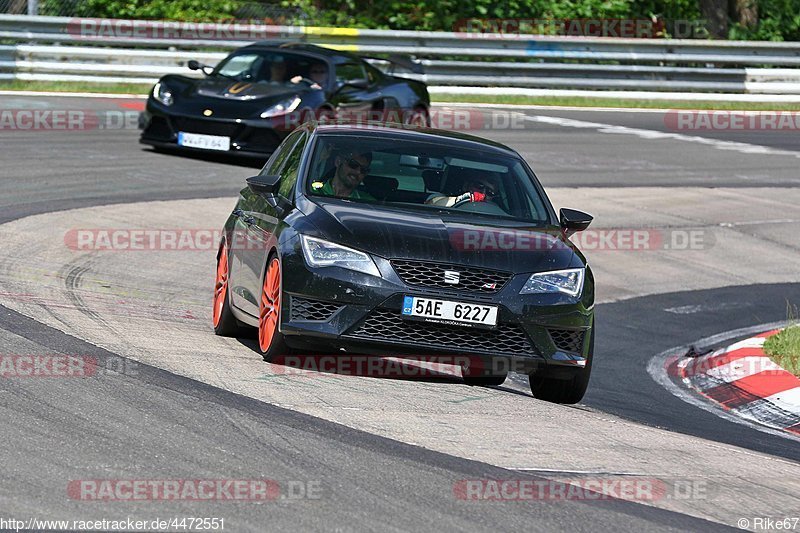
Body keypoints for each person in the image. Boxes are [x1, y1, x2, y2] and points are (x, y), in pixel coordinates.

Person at [311, 150, 375, 201]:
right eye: (353, 164)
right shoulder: (310, 192)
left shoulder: (368, 202)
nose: (358, 172)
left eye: (363, 170)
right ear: (338, 162)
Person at [425, 173, 499, 207]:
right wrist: (461, 199)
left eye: (490, 192)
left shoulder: (496, 210)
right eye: (479, 186)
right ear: (466, 186)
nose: (483, 193)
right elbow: (431, 205)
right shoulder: (442, 198)